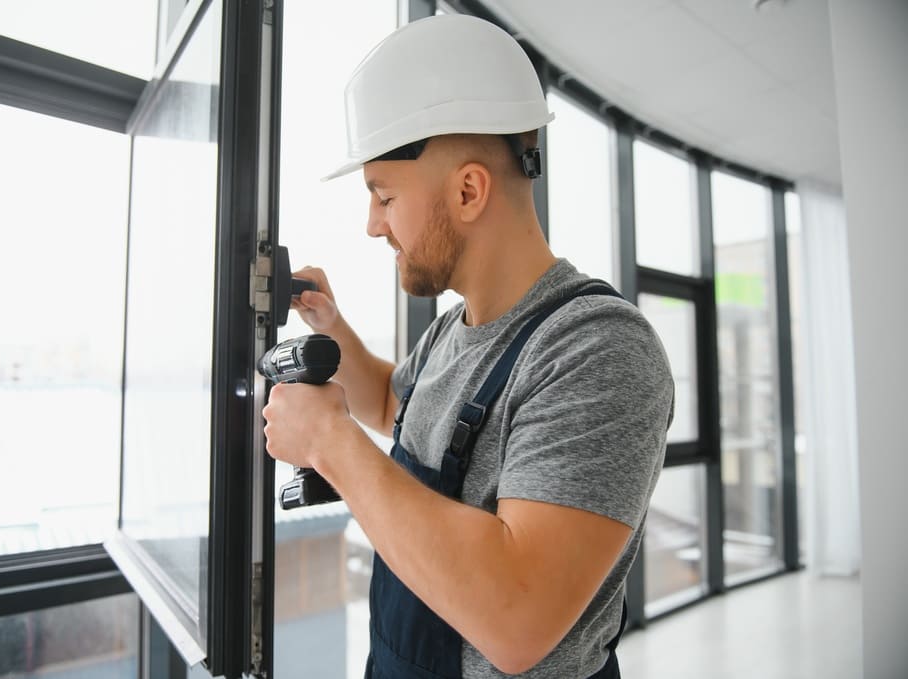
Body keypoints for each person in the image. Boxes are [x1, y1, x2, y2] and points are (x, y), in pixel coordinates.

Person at [262, 13, 674, 679]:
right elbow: (397, 400)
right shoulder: (455, 329)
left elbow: (518, 617)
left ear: (468, 190)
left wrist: (331, 446)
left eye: (384, 195)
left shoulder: (599, 350)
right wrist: (331, 325)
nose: (372, 225)